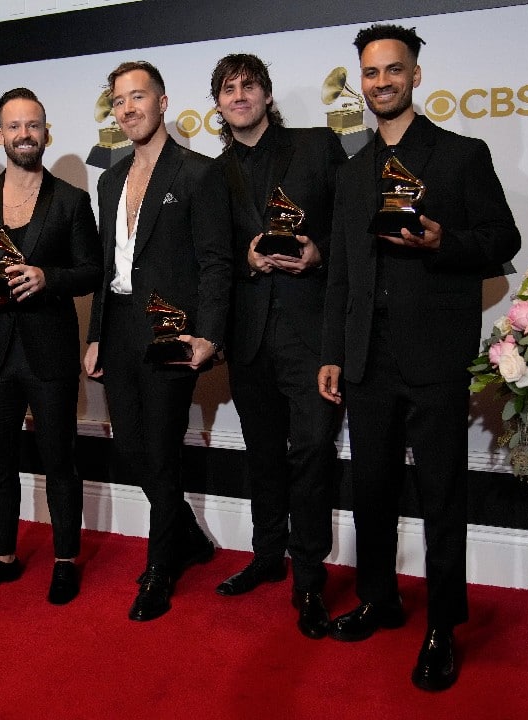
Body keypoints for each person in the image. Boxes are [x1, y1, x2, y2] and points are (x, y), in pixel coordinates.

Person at [318, 25, 521, 691]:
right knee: (370, 490)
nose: (381, 82)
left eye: (393, 70)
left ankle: (442, 626)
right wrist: (333, 353)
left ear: (415, 76)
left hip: (435, 358)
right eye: (371, 73)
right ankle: (380, 599)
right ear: (362, 81)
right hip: (367, 362)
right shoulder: (351, 174)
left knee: (441, 497)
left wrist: (443, 240)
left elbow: (502, 239)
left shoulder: (461, 156)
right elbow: (341, 274)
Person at [83, 61, 232, 622]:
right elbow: (105, 268)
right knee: (130, 447)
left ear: (163, 102)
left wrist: (210, 336)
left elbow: (217, 263)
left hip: (171, 329)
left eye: (137, 97)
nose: (127, 109)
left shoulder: (198, 173)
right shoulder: (108, 179)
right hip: (118, 327)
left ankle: (160, 567)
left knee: (162, 450)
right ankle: (189, 536)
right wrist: (96, 333)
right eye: (118, 100)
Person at [208, 53, 346, 640]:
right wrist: (246, 259)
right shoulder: (211, 173)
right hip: (249, 336)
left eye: (249, 86)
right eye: (228, 88)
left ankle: (310, 579)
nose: (239, 95)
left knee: (312, 451)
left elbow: (353, 229)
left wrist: (318, 254)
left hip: (311, 333)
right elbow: (209, 255)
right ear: (217, 102)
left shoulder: (317, 146)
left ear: (266, 94)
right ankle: (268, 557)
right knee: (262, 454)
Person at [0, 88, 102, 605]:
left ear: (46, 131)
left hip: (49, 350)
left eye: (33, 125)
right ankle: (2, 558)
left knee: (59, 459)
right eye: (14, 126)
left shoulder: (71, 200)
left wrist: (47, 276)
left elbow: (91, 271)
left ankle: (64, 560)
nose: (24, 134)